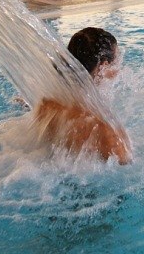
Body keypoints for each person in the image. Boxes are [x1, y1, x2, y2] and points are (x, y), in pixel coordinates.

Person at [32, 27, 132, 165]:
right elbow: (129, 170)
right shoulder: (106, 133)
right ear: (103, 67)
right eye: (116, 63)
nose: (118, 71)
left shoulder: (47, 106)